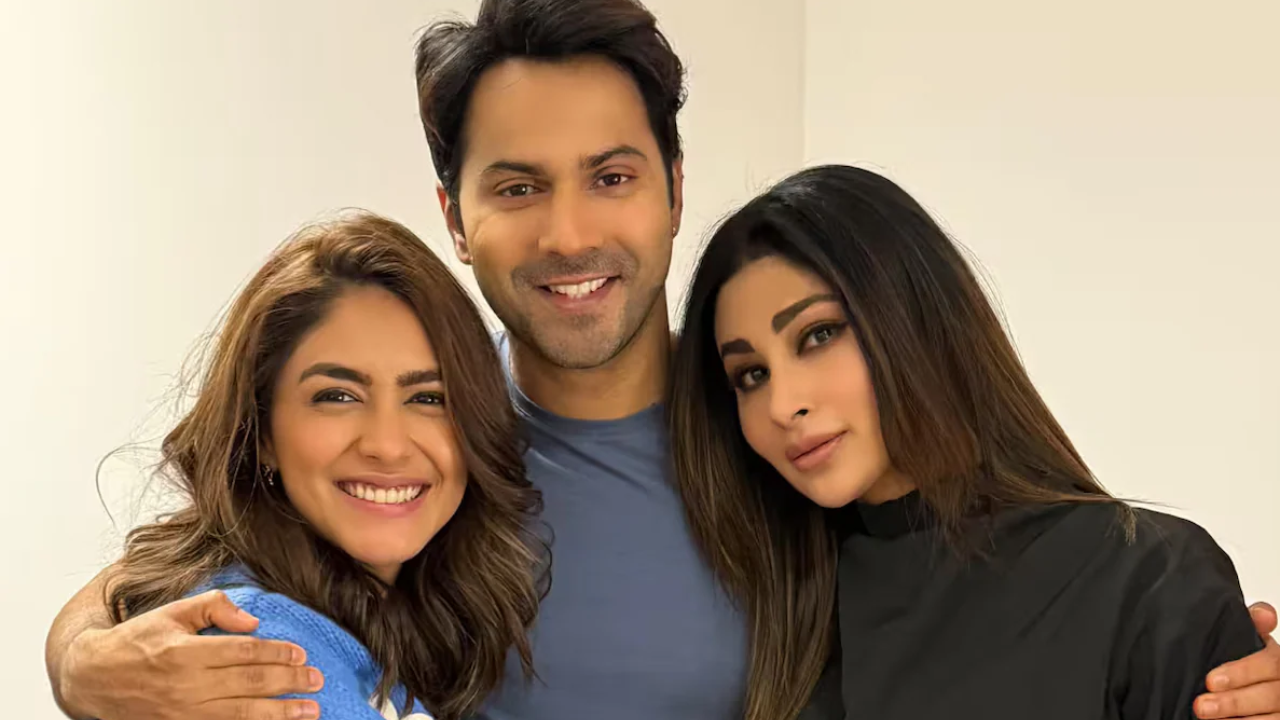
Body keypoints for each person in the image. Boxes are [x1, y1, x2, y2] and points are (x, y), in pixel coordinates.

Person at [41, 1, 1280, 719]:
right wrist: (79, 662)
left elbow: (994, 585)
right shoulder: (423, 453)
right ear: (454, 215)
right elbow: (201, 565)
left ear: (673, 188)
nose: (569, 233)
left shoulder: (782, 444)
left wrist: (1189, 647)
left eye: (612, 176)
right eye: (516, 187)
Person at [666, 163, 1272, 719]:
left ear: (914, 315)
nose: (782, 405)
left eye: (819, 334)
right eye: (750, 375)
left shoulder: (1147, 581)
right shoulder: (772, 620)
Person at [81, 211, 546, 720]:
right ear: (259, 432)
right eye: (337, 396)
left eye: (428, 398)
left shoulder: (387, 617)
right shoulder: (257, 646)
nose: (388, 446)